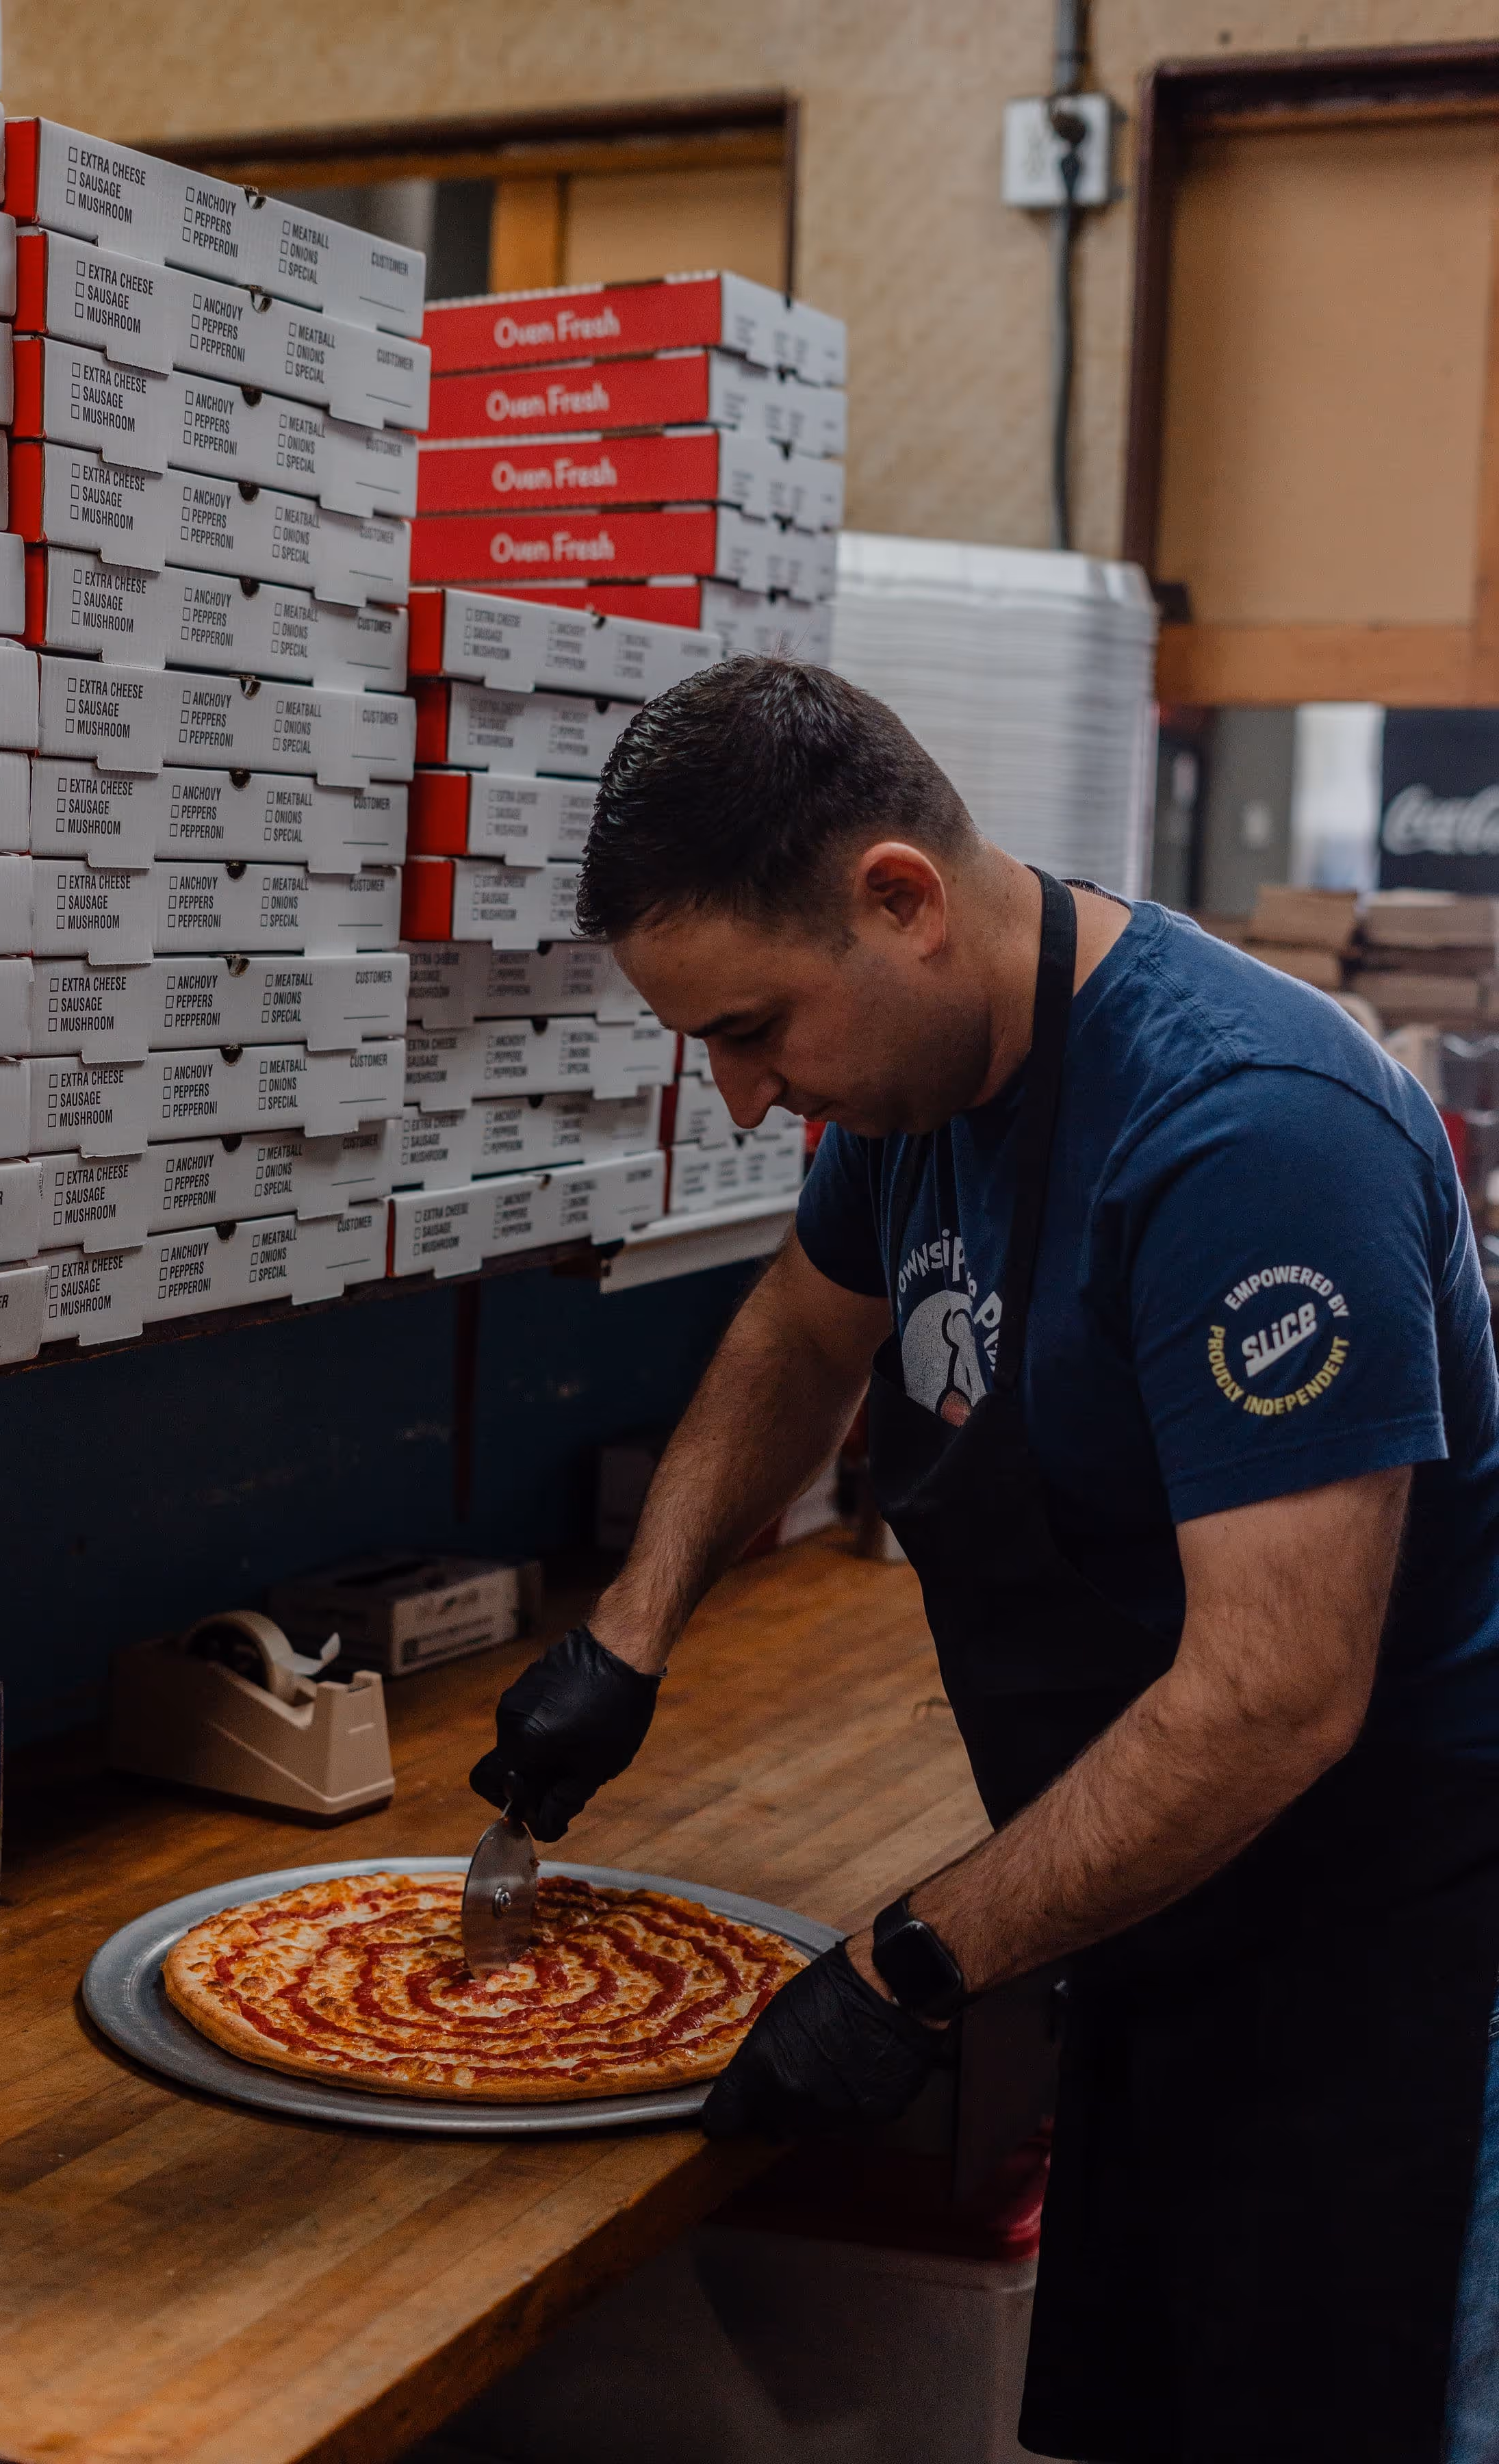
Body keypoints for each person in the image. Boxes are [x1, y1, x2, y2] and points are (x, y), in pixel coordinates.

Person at [470, 656, 1499, 2464]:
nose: (738, 1098)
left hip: (1403, 1928)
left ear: (903, 901)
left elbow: (1274, 1700)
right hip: (1172, 1885)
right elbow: (804, 1333)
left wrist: (905, 1966)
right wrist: (630, 1636)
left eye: (756, 1030)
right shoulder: (923, 1088)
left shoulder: (1250, 1136)